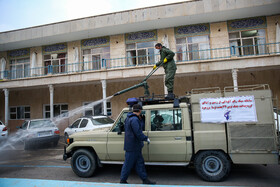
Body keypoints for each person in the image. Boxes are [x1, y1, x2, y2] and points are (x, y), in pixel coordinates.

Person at [120, 104, 156, 185]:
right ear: (139, 110)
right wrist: (145, 138)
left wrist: (142, 120)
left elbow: (135, 129)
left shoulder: (129, 118)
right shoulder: (134, 120)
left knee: (140, 164)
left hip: (134, 146)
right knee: (128, 164)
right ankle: (122, 180)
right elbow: (138, 132)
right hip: (132, 147)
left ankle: (145, 179)